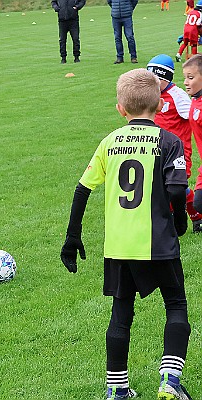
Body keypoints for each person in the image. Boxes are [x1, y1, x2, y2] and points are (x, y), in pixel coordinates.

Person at [60, 69, 192, 399]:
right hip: (158, 242)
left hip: (118, 246)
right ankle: (170, 383)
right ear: (161, 104)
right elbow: (177, 190)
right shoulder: (169, 141)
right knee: (175, 306)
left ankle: (117, 389)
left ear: (120, 109)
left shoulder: (109, 142)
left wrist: (72, 237)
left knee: (121, 315)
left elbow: (82, 189)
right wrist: (179, 223)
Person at [147, 54, 202, 232]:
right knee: (165, 187)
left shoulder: (178, 96)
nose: (151, 84)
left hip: (178, 153)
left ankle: (193, 217)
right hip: (158, 152)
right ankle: (184, 219)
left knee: (174, 188)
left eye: (155, 80)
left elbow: (193, 116)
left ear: (164, 78)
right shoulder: (152, 96)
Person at [183, 53, 202, 216]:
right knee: (199, 204)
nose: (186, 82)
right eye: (185, 77)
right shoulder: (195, 100)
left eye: (190, 77)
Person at [107, 0, 138, 64]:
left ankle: (133, 57)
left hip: (127, 16)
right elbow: (109, 2)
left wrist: (130, 9)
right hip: (115, 16)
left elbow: (134, 1)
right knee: (117, 38)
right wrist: (115, 9)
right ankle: (119, 57)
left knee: (130, 37)